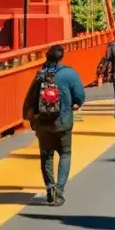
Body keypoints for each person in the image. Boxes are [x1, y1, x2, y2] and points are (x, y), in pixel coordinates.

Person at [22, 44, 85, 206]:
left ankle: (49, 186)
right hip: (63, 122)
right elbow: (79, 97)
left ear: (46, 57)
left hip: (43, 122)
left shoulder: (40, 75)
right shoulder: (70, 73)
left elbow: (30, 98)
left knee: (46, 155)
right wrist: (75, 105)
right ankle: (60, 190)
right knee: (65, 153)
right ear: (61, 57)